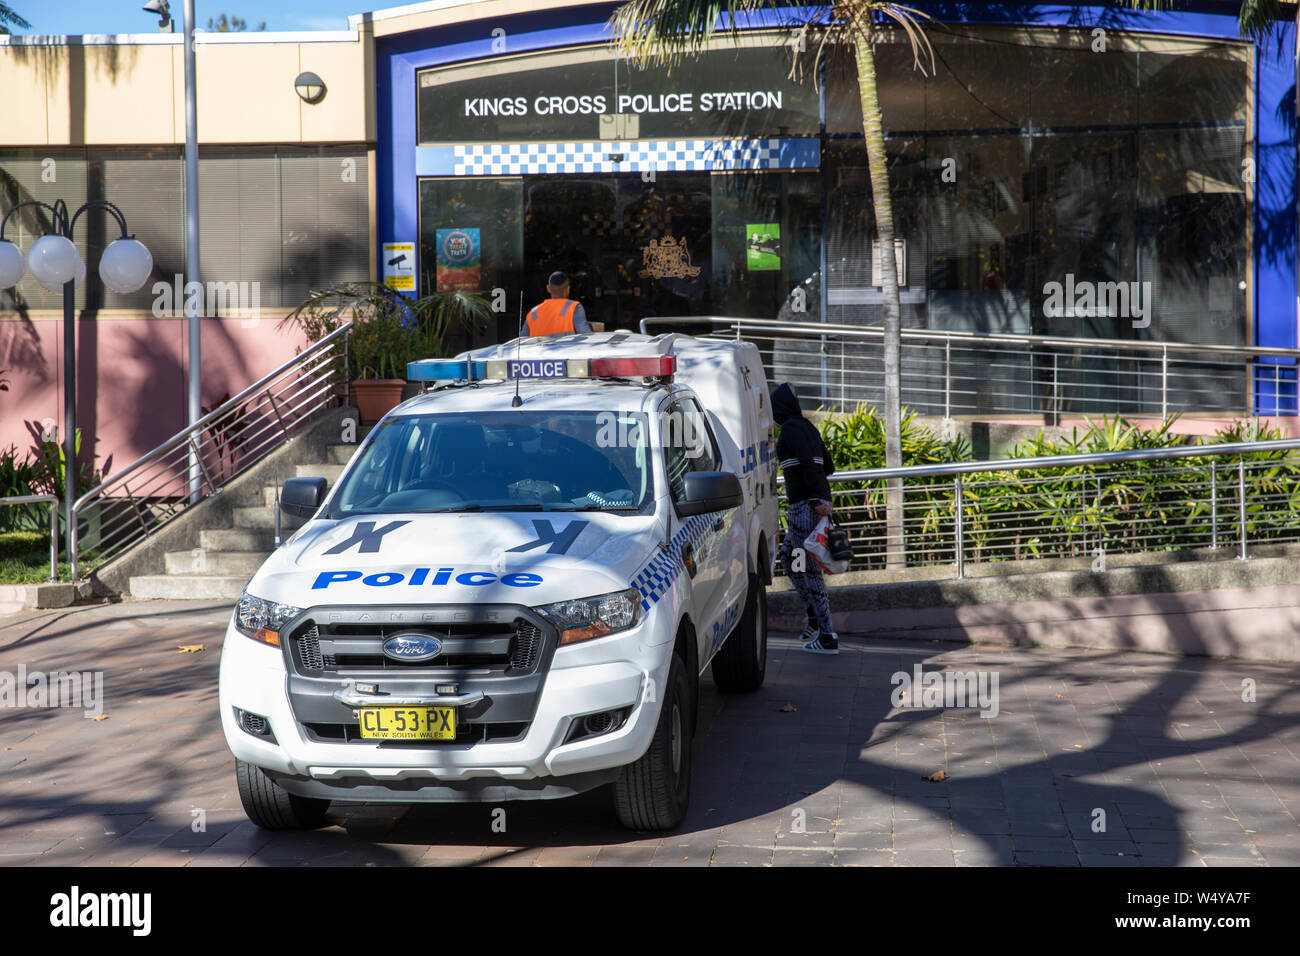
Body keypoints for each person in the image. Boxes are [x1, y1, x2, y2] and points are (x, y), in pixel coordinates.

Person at [772, 382, 839, 655]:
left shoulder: (791, 429)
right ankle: (814, 617)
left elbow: (812, 464)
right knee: (790, 558)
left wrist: (812, 499)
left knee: (809, 569)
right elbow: (828, 465)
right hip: (813, 504)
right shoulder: (807, 427)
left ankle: (826, 635)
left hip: (804, 508)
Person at [525, 271, 592, 336]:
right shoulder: (574, 308)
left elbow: (521, 341)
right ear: (568, 289)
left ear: (548, 288)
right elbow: (586, 336)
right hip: (568, 347)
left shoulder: (533, 313)